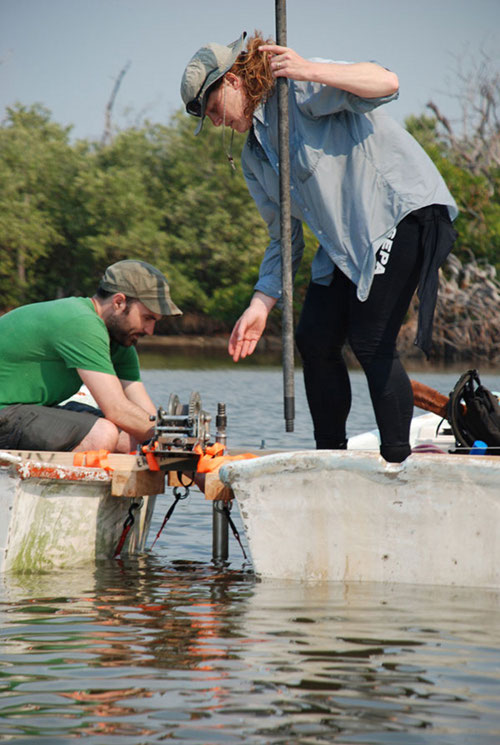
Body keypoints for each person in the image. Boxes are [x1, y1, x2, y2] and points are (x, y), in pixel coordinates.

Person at [181, 31, 458, 463]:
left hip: (401, 213)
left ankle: (398, 465)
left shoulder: (297, 86)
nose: (217, 123)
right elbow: (283, 237)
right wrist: (260, 304)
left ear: (232, 82)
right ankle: (330, 460)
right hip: (344, 244)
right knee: (314, 337)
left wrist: (306, 67)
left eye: (214, 109)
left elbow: (386, 83)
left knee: (370, 340)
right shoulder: (254, 157)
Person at [0, 260, 182, 453]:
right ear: (119, 302)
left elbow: (148, 415)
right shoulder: (80, 323)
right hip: (5, 412)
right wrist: (173, 441)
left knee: (134, 439)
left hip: (23, 412)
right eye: (147, 318)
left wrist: (191, 448)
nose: (151, 330)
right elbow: (117, 409)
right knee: (103, 434)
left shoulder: (119, 341)